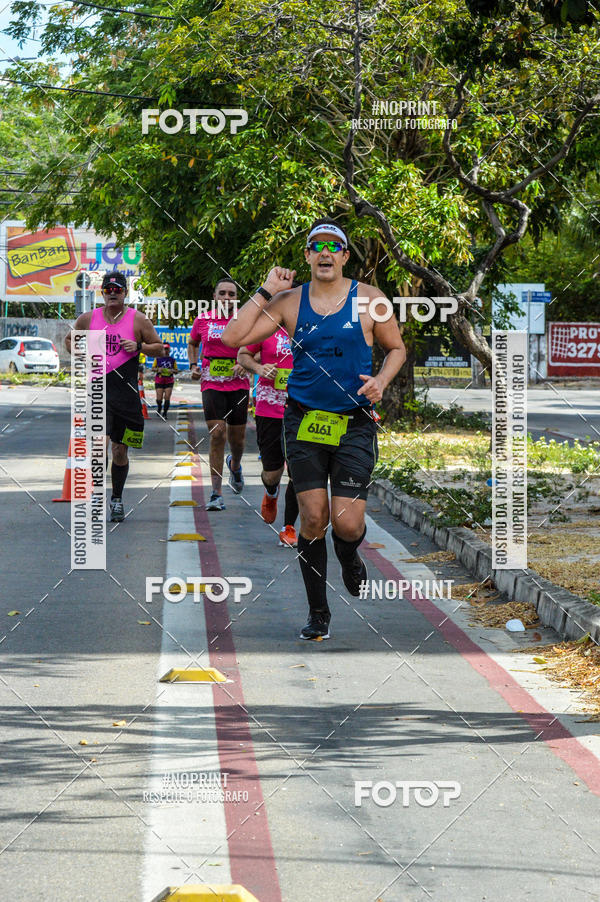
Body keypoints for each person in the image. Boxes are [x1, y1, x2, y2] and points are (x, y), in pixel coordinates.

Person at [222, 218, 406, 639]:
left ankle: (350, 556)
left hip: (355, 423)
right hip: (304, 419)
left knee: (347, 525)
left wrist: (381, 380)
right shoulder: (288, 301)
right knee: (313, 518)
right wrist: (267, 289)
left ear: (344, 256)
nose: (325, 252)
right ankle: (318, 612)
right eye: (316, 246)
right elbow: (233, 338)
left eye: (334, 246)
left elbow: (396, 348)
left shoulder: (371, 300)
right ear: (307, 256)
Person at [66, 270, 164, 522]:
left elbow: (160, 347)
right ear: (102, 293)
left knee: (120, 450)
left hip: (127, 393)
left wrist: (139, 347)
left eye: (117, 290)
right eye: (108, 290)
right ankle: (97, 495)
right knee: (99, 444)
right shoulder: (89, 318)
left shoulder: (138, 320)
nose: (112, 294)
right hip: (98, 389)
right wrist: (82, 353)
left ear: (124, 293)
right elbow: (69, 340)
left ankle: (116, 498)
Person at [188, 278, 250, 510]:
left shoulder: (245, 320)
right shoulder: (203, 319)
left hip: (239, 383)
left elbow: (258, 348)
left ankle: (235, 465)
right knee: (217, 434)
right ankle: (216, 493)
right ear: (214, 297)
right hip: (212, 382)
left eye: (231, 294)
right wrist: (193, 365)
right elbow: (193, 343)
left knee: (237, 439)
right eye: (222, 293)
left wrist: (247, 363)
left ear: (236, 298)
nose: (226, 297)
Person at [237, 324, 299, 547]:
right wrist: (259, 368)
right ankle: (271, 492)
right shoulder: (267, 327)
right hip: (270, 406)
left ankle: (288, 527)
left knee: (298, 471)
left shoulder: (312, 326)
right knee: (273, 473)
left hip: (303, 408)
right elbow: (243, 354)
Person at [152, 341, 178, 419]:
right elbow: (152, 368)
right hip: (159, 379)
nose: (165, 350)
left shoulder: (172, 360)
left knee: (167, 397)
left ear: (169, 350)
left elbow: (176, 370)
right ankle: (159, 408)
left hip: (169, 380)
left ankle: (165, 413)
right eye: (164, 349)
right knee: (159, 398)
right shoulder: (157, 359)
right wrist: (158, 369)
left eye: (167, 349)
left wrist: (172, 371)